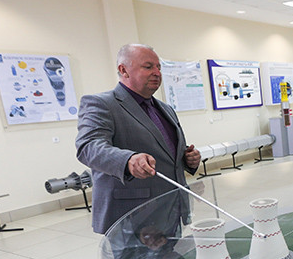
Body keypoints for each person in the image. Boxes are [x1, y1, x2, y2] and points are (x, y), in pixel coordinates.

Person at [76, 44, 201, 234]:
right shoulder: (102, 104)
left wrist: (187, 159)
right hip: (132, 218)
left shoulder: (165, 109)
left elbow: (166, 153)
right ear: (123, 70)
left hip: (171, 209)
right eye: (148, 66)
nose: (157, 72)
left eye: (159, 67)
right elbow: (88, 147)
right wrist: (128, 160)